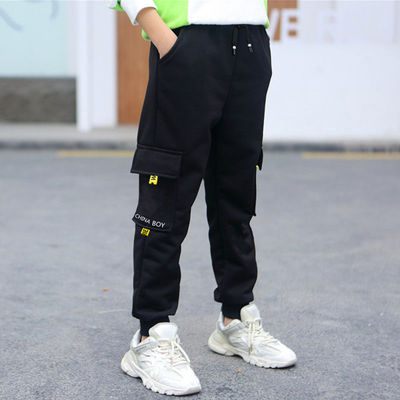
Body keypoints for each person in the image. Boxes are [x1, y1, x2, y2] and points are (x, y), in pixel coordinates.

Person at [110, 0, 297, 395]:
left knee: (236, 194)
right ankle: (150, 335)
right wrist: (162, 36)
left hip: (250, 43)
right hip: (187, 43)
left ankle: (235, 317)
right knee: (166, 196)